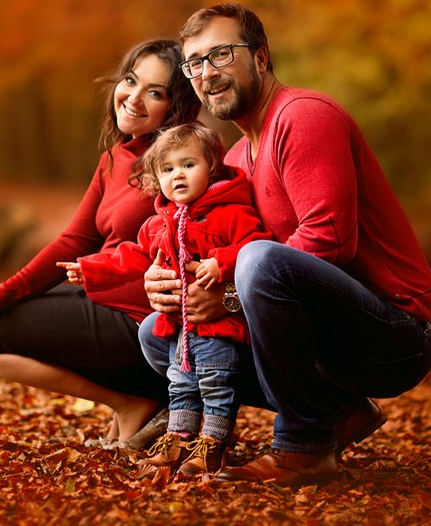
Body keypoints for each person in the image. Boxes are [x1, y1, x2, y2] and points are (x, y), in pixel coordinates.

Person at [141, 2, 431, 486]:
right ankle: (338, 412)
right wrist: (177, 286)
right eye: (195, 62)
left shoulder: (303, 117)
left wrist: (230, 297)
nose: (206, 73)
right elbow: (231, 244)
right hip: (328, 336)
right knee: (162, 336)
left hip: (397, 331)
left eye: (221, 54)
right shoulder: (236, 155)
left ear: (261, 58)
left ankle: (305, 447)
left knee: (260, 262)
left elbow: (330, 240)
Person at [0, 38, 201, 447]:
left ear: (175, 107)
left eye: (155, 92)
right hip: (99, 301)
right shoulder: (114, 159)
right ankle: (130, 401)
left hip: (143, 323)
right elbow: (76, 239)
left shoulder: (178, 165)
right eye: (130, 81)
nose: (134, 98)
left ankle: (133, 403)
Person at [59, 123, 272, 479]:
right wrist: (90, 268)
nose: (179, 176)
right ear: (157, 178)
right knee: (181, 383)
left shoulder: (231, 212)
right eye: (168, 169)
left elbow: (257, 247)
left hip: (219, 328)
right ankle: (179, 438)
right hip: (181, 330)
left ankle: (213, 445)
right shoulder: (160, 224)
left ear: (212, 167)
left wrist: (222, 263)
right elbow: (133, 256)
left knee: (217, 385)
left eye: (189, 165)